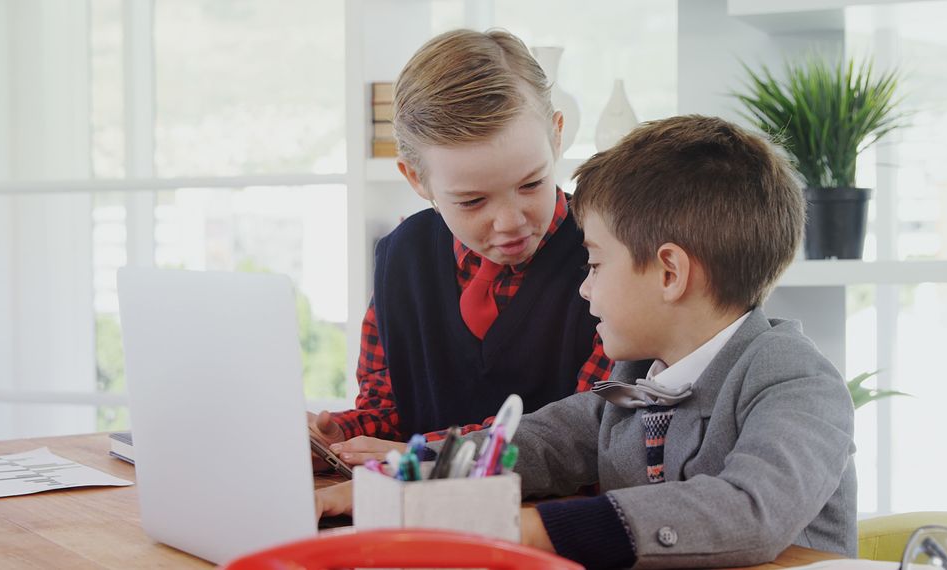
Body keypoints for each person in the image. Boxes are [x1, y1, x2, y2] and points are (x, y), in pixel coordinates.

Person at [316, 116, 857, 568]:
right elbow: (536, 442)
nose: (584, 286)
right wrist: (394, 481)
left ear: (669, 273)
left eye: (595, 263)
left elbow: (748, 510)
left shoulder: (794, 381)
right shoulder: (635, 382)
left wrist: (520, 526)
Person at [309, 28, 612, 467]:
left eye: (531, 184)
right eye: (472, 201)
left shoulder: (610, 257)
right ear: (416, 179)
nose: (510, 222)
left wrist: (428, 455)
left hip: (546, 522)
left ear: (557, 136)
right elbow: (387, 407)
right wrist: (340, 438)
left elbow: (591, 427)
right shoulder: (401, 258)